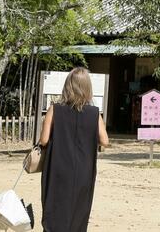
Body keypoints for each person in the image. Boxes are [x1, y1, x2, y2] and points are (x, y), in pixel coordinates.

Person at [39, 67, 110, 232]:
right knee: (79, 209)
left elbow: (43, 140)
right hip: (84, 168)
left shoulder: (55, 109)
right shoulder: (94, 113)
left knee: (55, 207)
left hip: (58, 166)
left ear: (67, 85)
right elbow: (105, 141)